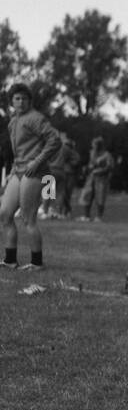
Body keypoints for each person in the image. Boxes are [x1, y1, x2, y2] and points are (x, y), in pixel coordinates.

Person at [1, 84, 62, 270]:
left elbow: (55, 140)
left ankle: (37, 263)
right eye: (17, 98)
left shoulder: (36, 118)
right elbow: (17, 151)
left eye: (24, 98)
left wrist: (36, 162)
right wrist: (12, 171)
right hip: (18, 171)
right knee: (5, 214)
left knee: (28, 219)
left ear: (30, 101)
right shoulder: (13, 121)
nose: (21, 102)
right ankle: (10, 260)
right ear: (11, 101)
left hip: (35, 172)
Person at [79, 136, 112, 222]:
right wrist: (88, 168)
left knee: (100, 198)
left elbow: (109, 167)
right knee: (87, 196)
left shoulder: (106, 155)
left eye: (94, 144)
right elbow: (89, 165)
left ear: (99, 145)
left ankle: (99, 217)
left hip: (101, 179)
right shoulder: (92, 153)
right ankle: (86, 216)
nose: (93, 146)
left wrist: (99, 171)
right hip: (91, 178)